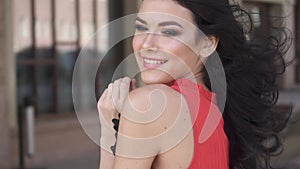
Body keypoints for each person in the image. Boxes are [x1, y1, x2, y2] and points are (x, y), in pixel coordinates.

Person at [97, 0, 291, 169]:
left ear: (207, 44)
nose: (147, 43)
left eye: (168, 31)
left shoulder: (149, 104)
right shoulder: (212, 112)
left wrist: (108, 133)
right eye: (141, 27)